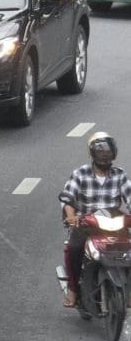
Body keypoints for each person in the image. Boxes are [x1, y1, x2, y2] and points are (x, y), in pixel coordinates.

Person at [60, 132, 131, 311]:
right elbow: (68, 198)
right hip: (86, 225)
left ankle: (128, 292)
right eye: (100, 152)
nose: (104, 155)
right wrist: (71, 216)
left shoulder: (120, 176)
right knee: (74, 248)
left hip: (114, 225)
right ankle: (74, 289)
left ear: (113, 153)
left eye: (107, 151)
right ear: (92, 154)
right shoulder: (80, 174)